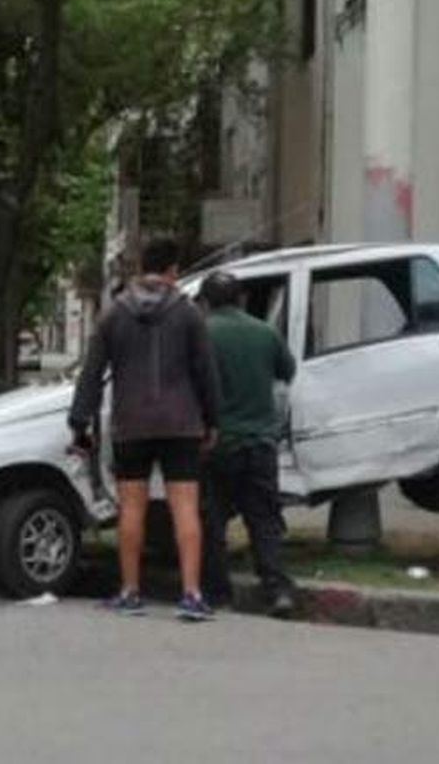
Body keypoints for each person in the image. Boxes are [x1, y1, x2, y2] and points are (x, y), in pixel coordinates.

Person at [69, 237, 221, 621]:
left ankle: (130, 591)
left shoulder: (114, 314)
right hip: (182, 423)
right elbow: (206, 372)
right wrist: (213, 419)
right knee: (185, 507)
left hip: (131, 423)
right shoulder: (189, 314)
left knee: (131, 507)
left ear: (141, 268)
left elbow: (92, 372)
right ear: (172, 271)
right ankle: (191, 594)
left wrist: (79, 420)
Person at [198, 271, 299, 618]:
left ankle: (217, 592)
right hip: (260, 442)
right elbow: (288, 370)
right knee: (264, 520)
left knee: (212, 521)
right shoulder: (265, 332)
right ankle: (277, 590)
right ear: (240, 299)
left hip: (217, 443)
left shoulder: (201, 334)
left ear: (206, 302)